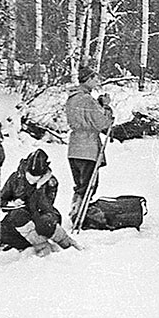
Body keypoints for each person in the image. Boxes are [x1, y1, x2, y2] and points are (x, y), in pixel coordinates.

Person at [0, 149, 81, 255]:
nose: (32, 180)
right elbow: (1, 200)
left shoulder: (50, 182)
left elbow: (46, 205)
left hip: (41, 217)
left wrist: (39, 188)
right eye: (29, 176)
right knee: (2, 231)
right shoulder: (15, 178)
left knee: (45, 223)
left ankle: (67, 244)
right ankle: (39, 245)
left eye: (36, 178)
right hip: (18, 219)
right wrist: (13, 203)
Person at [66, 66, 114, 222]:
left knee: (79, 185)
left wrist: (98, 104)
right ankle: (80, 215)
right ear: (87, 79)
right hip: (88, 147)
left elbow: (85, 116)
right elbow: (101, 123)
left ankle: (76, 210)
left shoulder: (72, 98)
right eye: (94, 79)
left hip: (74, 147)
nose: (97, 82)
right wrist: (105, 107)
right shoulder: (87, 99)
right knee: (88, 185)